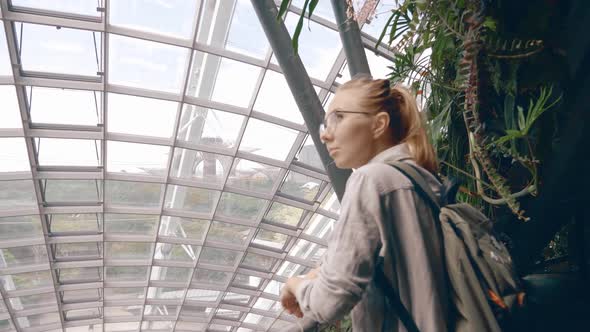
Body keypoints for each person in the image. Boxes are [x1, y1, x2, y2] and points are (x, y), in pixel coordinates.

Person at [280, 77, 449, 331]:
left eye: (338, 117)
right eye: (325, 124)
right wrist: (315, 275)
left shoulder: (370, 180)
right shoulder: (421, 179)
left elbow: (329, 302)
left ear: (379, 124)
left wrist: (295, 284)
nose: (326, 135)